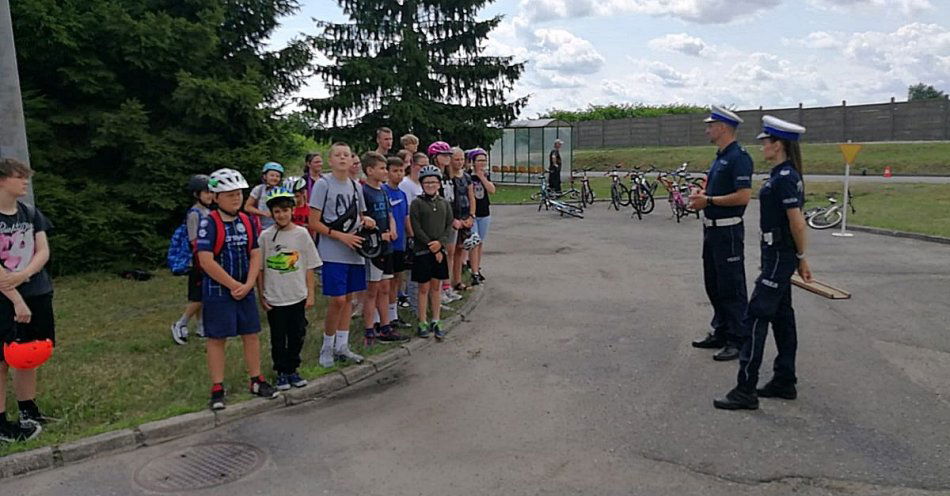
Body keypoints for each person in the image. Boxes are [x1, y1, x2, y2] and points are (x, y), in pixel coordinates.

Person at [714, 116, 813, 410]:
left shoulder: (784, 178)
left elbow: (797, 223)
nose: (762, 148)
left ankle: (745, 388)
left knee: (755, 318)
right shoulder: (785, 174)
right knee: (783, 318)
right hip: (777, 256)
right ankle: (785, 380)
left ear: (778, 145)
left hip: (779, 257)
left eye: (766, 142)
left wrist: (801, 258)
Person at [197, 168, 279, 410]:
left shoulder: (246, 220)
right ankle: (217, 387)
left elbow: (255, 253)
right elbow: (206, 260)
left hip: (245, 287)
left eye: (239, 193)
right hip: (218, 290)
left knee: (251, 333)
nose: (236, 198)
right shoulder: (209, 223)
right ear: (216, 197)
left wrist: (249, 283)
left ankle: (256, 379)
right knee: (217, 338)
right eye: (230, 194)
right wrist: (233, 285)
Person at [687, 105, 753, 362]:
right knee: (713, 283)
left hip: (728, 232)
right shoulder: (720, 156)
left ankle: (738, 338)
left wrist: (710, 201)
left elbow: (744, 195)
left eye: (710, 125)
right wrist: (702, 196)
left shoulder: (739, 157)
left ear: (723, 127)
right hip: (712, 231)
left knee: (732, 287)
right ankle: (722, 330)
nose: (707, 130)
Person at [0, 158, 53, 442]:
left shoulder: (30, 212)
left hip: (36, 291)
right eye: (19, 176)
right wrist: (16, 298)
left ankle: (28, 410)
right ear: (1, 180)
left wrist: (24, 275)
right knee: (2, 359)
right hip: (5, 299)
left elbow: (43, 250)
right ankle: (1, 424)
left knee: (29, 353)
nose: (25, 181)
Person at [309, 142, 375, 367]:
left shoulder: (356, 186)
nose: (342, 158)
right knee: (337, 300)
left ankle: (342, 345)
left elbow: (361, 214)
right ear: (331, 160)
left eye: (346, 155)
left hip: (354, 250)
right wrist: (340, 236)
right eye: (338, 155)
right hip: (332, 251)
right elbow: (313, 222)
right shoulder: (322, 184)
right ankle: (326, 347)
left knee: (348, 300)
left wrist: (366, 220)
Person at [257, 187, 321, 391]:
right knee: (278, 336)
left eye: (285, 210)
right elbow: (260, 269)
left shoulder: (301, 234)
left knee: (297, 333)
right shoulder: (266, 237)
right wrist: (261, 295)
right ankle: (281, 371)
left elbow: (309, 266)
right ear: (272, 214)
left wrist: (310, 293)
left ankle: (293, 368)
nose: (282, 215)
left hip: (297, 294)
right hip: (275, 296)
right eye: (277, 211)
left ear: (292, 210)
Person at [359, 151, 408, 345]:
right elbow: (363, 220)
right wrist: (380, 235)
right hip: (374, 248)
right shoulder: (364, 192)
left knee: (386, 287)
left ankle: (386, 326)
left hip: (388, 246)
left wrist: (393, 228)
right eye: (381, 168)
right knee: (373, 290)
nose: (384, 172)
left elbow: (389, 214)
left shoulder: (383, 191)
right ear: (370, 170)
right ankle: (370, 329)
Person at [410, 165, 454, 341]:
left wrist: (440, 244)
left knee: (436, 287)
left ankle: (436, 319)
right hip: (423, 251)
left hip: (439, 251)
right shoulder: (417, 203)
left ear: (439, 184)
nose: (430, 185)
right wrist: (431, 245)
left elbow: (449, 225)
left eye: (434, 182)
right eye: (427, 182)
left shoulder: (444, 203)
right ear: (422, 184)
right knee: (423, 288)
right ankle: (422, 321)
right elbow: (416, 227)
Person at [171, 174, 213, 345]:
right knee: (199, 297)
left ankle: (201, 326)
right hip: (198, 261)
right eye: (206, 192)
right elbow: (194, 240)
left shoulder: (208, 211)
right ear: (197, 194)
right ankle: (180, 323)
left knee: (202, 294)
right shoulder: (195, 213)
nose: (210, 195)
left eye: (211, 192)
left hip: (206, 259)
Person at [426, 141, 461, 303]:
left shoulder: (448, 176)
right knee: (440, 255)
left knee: (450, 253)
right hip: (440, 222)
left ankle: (447, 287)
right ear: (434, 157)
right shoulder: (432, 176)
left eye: (448, 155)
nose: (447, 158)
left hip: (451, 220)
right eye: (443, 155)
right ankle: (437, 292)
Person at [383, 156, 413, 328]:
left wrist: (411, 237)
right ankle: (383, 316)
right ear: (387, 172)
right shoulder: (384, 191)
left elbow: (406, 216)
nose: (399, 174)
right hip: (388, 244)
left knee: (397, 279)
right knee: (386, 282)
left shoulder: (401, 193)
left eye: (401, 171)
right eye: (395, 171)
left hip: (401, 243)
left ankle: (393, 314)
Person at [399, 152, 427, 311]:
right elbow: (407, 213)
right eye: (421, 165)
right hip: (412, 233)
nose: (423, 168)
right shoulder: (406, 184)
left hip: (424, 232)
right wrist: (412, 234)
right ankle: (410, 300)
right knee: (411, 269)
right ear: (413, 165)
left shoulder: (421, 184)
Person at [448, 147, 476, 292]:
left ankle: (457, 280)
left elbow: (471, 197)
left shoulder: (466, 177)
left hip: (465, 216)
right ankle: (448, 283)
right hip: (454, 217)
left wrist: (471, 215)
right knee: (450, 251)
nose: (459, 162)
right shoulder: (449, 178)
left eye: (462, 160)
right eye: (456, 159)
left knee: (460, 249)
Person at [468, 148, 494, 284]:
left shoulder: (485, 175)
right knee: (474, 242)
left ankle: (477, 267)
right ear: (473, 162)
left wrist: (482, 176)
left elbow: (492, 190)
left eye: (484, 160)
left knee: (480, 242)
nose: (482, 163)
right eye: (479, 160)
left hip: (484, 212)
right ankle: (474, 272)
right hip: (472, 213)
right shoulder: (467, 176)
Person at [246, 162, 285, 231]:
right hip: (260, 228)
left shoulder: (281, 191)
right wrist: (263, 213)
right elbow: (247, 207)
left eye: (277, 176)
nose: (275, 178)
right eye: (272, 175)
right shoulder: (259, 189)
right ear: (265, 176)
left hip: (277, 227)